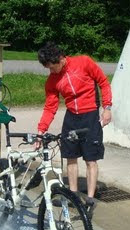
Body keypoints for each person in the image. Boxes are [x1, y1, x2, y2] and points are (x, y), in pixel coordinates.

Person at [36, 42, 112, 219]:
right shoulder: (52, 80)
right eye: (48, 69)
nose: (51, 72)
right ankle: (73, 195)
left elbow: (103, 82)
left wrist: (107, 107)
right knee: (70, 157)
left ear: (60, 59)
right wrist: (41, 130)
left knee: (90, 159)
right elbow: (50, 107)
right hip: (71, 117)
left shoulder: (84, 62)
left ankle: (90, 200)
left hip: (90, 115)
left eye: (52, 67)